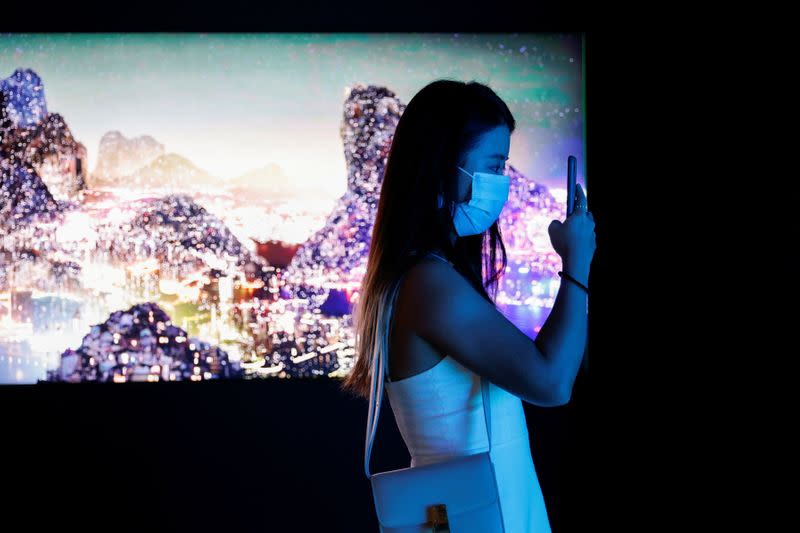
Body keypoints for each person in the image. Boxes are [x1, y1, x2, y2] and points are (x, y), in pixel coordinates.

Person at [340, 79, 596, 532]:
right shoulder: (430, 283)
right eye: (494, 166)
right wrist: (577, 263)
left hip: (474, 506)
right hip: (477, 512)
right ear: (444, 166)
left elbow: (540, 370)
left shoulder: (422, 274)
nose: (502, 183)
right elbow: (552, 383)